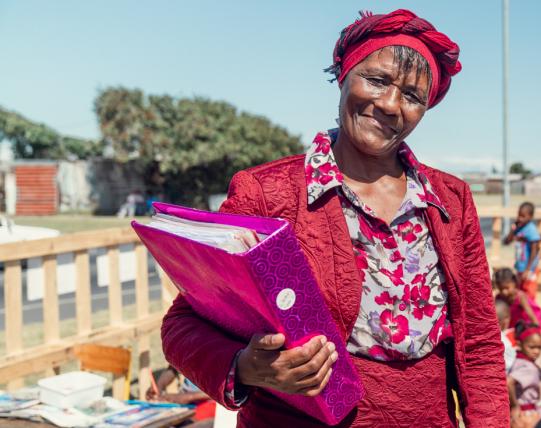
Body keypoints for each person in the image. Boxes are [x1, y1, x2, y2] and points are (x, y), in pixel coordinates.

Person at [160, 9, 509, 427]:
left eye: (413, 97)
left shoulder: (449, 200)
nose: (390, 105)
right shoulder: (268, 194)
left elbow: (481, 347)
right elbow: (183, 324)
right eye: (377, 80)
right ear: (344, 75)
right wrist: (249, 367)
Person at [146, 366, 216, 423]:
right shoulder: (188, 349)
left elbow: (223, 389)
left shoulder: (223, 350)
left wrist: (189, 397)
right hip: (184, 401)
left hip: (212, 402)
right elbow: (173, 368)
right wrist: (159, 385)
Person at [503, 202, 541, 299]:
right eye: (519, 215)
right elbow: (506, 242)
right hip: (520, 267)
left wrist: (528, 269)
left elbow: (535, 249)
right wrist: (513, 229)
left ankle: (529, 313)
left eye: (523, 216)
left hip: (529, 269)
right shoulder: (519, 228)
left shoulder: (531, 229)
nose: (520, 218)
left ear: (531, 216)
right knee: (519, 293)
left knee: (528, 295)